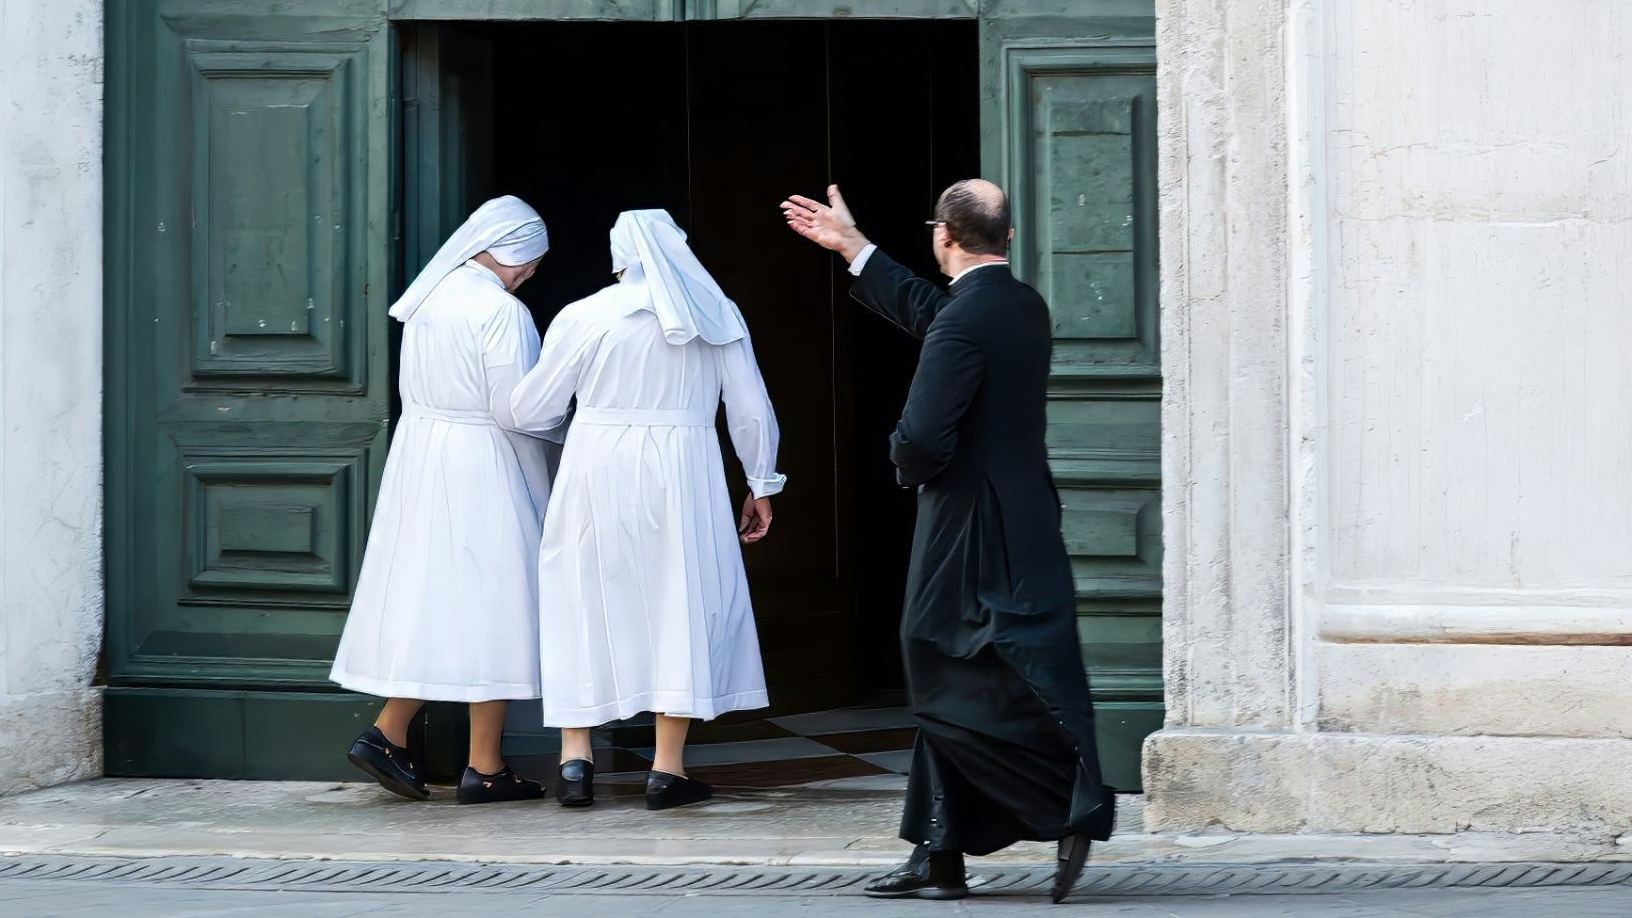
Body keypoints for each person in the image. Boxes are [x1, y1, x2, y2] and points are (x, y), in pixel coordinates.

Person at [781, 181, 1112, 902]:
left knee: (937, 661)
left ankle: (1066, 799)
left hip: (967, 521)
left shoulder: (968, 318)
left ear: (942, 236)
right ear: (1008, 237)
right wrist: (855, 248)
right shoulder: (1020, 304)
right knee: (970, 663)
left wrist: (900, 459)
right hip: (1027, 514)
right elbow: (941, 317)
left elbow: (924, 436)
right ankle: (938, 853)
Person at [509, 209, 784, 812]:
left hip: (595, 465)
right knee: (678, 599)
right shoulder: (715, 313)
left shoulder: (583, 314)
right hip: (684, 472)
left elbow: (531, 410)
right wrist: (760, 481)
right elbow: (750, 407)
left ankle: (575, 760)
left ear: (618, 259)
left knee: (582, 595)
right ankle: (666, 769)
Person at [329, 195, 563, 805]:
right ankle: (483, 766)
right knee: (498, 600)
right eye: (532, 263)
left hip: (422, 458)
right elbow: (517, 408)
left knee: (435, 598)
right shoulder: (502, 312)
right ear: (518, 254)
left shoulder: (430, 300)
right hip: (483, 460)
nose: (529, 274)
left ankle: (390, 732)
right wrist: (570, 427)